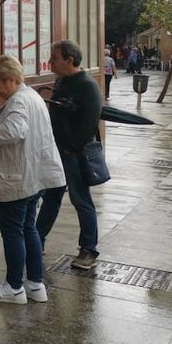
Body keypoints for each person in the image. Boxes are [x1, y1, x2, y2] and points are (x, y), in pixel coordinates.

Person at [0, 55, 65, 305]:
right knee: (28, 229)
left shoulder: (19, 101)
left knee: (13, 231)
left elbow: (14, 131)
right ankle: (35, 284)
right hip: (33, 176)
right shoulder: (32, 97)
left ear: (11, 79)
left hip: (18, 177)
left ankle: (13, 287)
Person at [36, 40, 104, 270]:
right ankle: (37, 240)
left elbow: (89, 124)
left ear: (70, 60)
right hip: (56, 152)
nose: (50, 62)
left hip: (74, 154)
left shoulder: (87, 86)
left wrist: (71, 148)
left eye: (54, 58)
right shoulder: (61, 81)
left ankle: (88, 250)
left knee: (81, 200)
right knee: (50, 198)